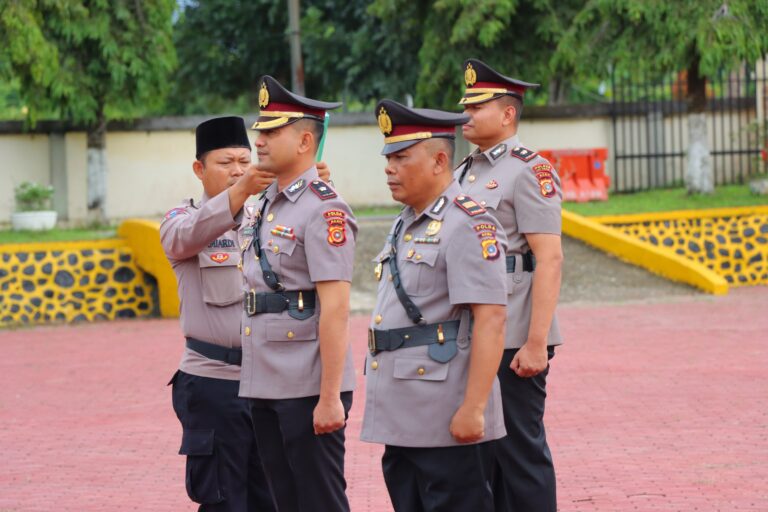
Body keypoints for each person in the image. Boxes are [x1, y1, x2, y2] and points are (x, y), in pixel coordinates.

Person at [361, 99, 508, 511]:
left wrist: (474, 409)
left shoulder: (468, 223)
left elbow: (491, 319)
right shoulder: (406, 220)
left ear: (440, 160)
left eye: (401, 157)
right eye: (388, 158)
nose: (389, 168)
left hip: (447, 416)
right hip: (404, 413)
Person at [237, 75, 357, 512]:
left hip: (308, 383)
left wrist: (329, 397)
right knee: (282, 500)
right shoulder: (263, 201)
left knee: (318, 500)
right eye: (260, 131)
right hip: (265, 377)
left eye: (272, 132)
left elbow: (336, 307)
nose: (260, 140)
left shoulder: (324, 207)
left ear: (305, 140)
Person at [456, 58, 564, 512]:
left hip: (516, 332)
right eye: (464, 104)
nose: (465, 113)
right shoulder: (465, 171)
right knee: (483, 453)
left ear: (507, 114)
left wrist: (537, 342)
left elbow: (549, 257)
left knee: (519, 451)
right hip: (475, 330)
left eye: (476, 106)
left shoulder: (529, 170)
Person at [161, 116, 277, 512]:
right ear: (199, 169)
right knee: (224, 501)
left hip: (268, 382)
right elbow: (185, 238)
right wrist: (241, 190)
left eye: (245, 161)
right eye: (226, 162)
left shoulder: (268, 220)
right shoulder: (180, 220)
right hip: (214, 383)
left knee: (272, 496)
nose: (238, 170)